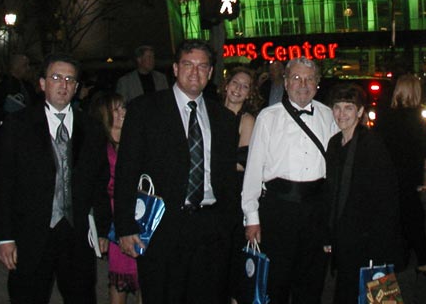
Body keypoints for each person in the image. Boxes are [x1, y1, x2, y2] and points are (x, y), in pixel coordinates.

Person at [114, 39, 238, 304]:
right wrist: (125, 227)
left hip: (210, 227)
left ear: (211, 72)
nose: (195, 72)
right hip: (162, 227)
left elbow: (227, 180)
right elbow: (127, 170)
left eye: (202, 66)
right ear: (174, 68)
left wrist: (230, 226)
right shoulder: (144, 110)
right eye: (188, 65)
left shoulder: (224, 119)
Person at [0, 52, 111, 304]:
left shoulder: (90, 128)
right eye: (56, 77)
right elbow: (5, 183)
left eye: (70, 80)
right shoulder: (19, 125)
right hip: (32, 233)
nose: (63, 85)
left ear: (77, 87)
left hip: (76, 235)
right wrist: (4, 236)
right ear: (43, 83)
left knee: (81, 295)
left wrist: (101, 227)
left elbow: (99, 182)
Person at [242, 56, 338, 304]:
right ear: (285, 82)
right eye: (296, 78)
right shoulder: (267, 117)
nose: (303, 84)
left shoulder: (329, 116)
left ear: (317, 83)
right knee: (276, 281)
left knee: (312, 280)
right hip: (278, 211)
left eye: (309, 79)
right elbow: (253, 169)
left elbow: (337, 168)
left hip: (316, 211)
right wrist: (251, 217)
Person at [324, 82, 404, 304]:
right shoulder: (334, 144)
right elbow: (332, 192)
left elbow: (387, 198)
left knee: (369, 297)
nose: (342, 114)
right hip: (345, 239)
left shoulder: (371, 145)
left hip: (368, 241)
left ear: (360, 112)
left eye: (348, 108)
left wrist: (380, 248)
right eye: (337, 107)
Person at [378, 72, 426, 280]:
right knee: (414, 220)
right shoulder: (416, 117)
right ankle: (423, 260)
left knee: (405, 220)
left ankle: (409, 259)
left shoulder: (386, 115)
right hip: (408, 177)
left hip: (390, 176)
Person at [92, 91, 141, 304]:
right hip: (114, 217)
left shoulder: (135, 141)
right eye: (117, 109)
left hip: (140, 214)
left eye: (123, 107)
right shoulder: (101, 147)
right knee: (119, 278)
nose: (123, 112)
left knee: (145, 276)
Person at [220, 65, 262, 303]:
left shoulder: (246, 120)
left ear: (249, 93)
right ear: (226, 85)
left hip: (233, 192)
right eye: (235, 83)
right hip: (211, 192)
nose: (238, 89)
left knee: (233, 252)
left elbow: (242, 162)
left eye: (245, 86)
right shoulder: (211, 111)